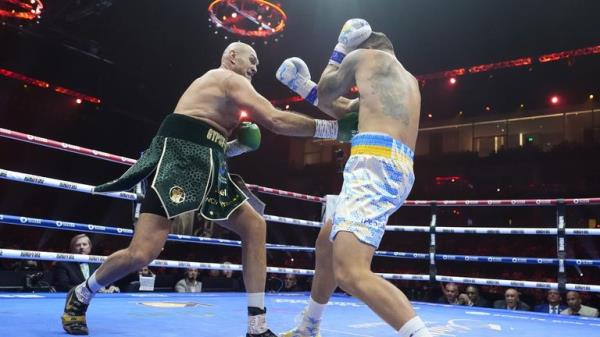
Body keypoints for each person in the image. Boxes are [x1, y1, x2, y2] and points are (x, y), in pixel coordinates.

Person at [61, 41, 357, 337]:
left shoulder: (220, 95)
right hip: (179, 157)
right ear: (231, 57)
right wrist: (335, 130)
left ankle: (257, 327)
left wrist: (236, 145)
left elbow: (211, 146)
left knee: (254, 225)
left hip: (208, 162)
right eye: (251, 59)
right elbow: (275, 119)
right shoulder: (228, 78)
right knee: (141, 253)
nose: (255, 67)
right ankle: (83, 293)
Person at [278, 18, 430, 337]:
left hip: (373, 164)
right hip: (393, 164)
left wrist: (341, 47)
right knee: (326, 243)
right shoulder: (407, 80)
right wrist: (302, 87)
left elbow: (331, 87)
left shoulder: (362, 56)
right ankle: (309, 326)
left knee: (351, 272)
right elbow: (346, 109)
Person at [54, 234, 119, 293]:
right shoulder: (63, 264)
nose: (81, 247)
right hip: (75, 299)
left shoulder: (97, 263)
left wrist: (111, 286)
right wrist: (88, 290)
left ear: (90, 247)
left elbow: (107, 280)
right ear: (72, 248)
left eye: (84, 244)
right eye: (78, 245)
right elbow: (63, 286)